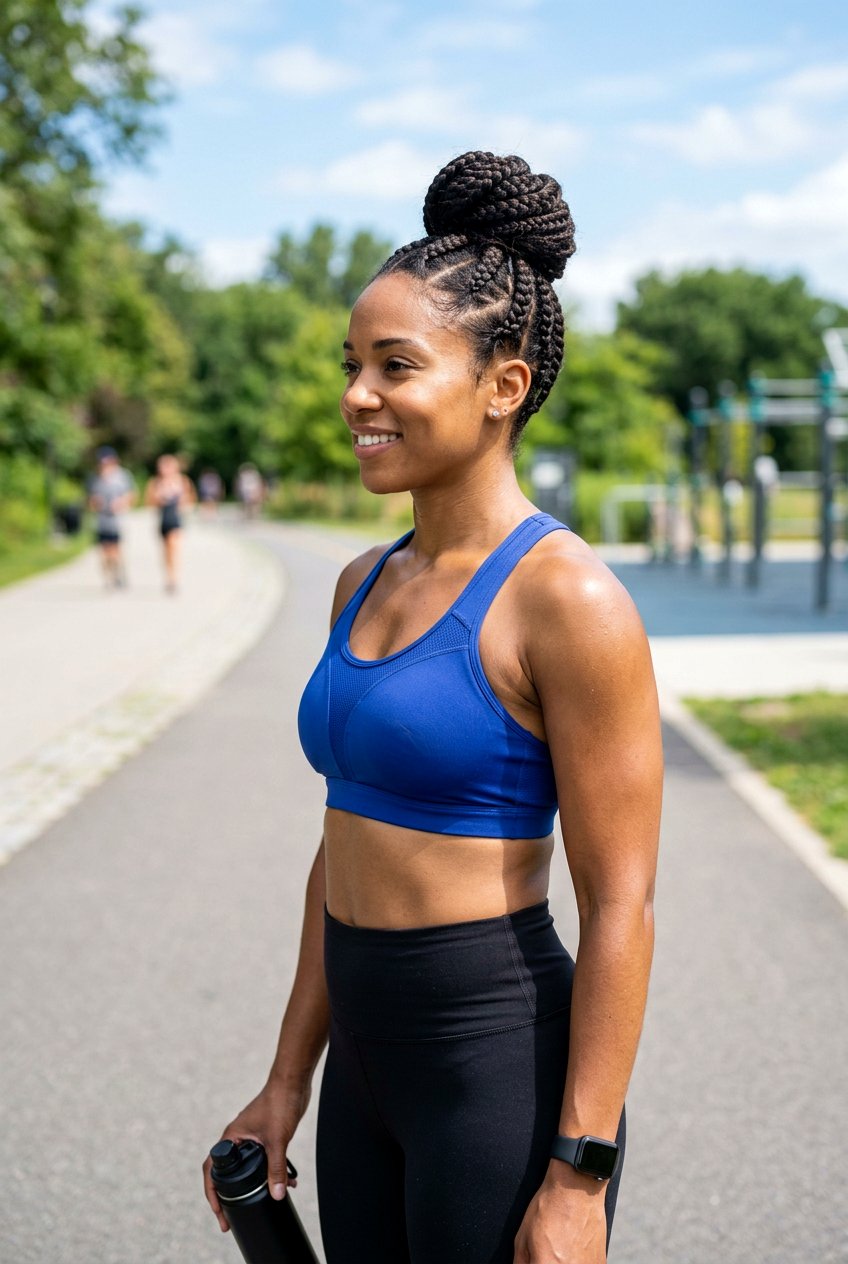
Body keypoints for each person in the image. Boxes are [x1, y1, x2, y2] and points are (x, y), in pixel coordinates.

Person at [204, 151, 663, 1263]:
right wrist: (283, 1081)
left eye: (395, 366)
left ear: (500, 385)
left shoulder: (569, 601)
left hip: (491, 1063)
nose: (358, 395)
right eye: (352, 364)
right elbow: (340, 847)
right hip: (361, 1057)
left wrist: (577, 1176)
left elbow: (620, 906)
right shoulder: (358, 580)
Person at [144, 454, 196, 593]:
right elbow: (149, 503)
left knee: (174, 546)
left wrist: (182, 502)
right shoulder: (155, 483)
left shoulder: (182, 481)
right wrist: (159, 497)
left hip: (176, 519)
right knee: (165, 551)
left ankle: (174, 578)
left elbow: (191, 499)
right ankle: (168, 576)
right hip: (163, 519)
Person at [86, 446, 136, 589]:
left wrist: (121, 503)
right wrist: (96, 503)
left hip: (117, 519)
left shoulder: (123, 476)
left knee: (115, 550)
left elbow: (132, 495)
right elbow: (90, 500)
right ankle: (108, 578)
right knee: (104, 551)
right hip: (101, 519)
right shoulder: (94, 478)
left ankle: (118, 574)